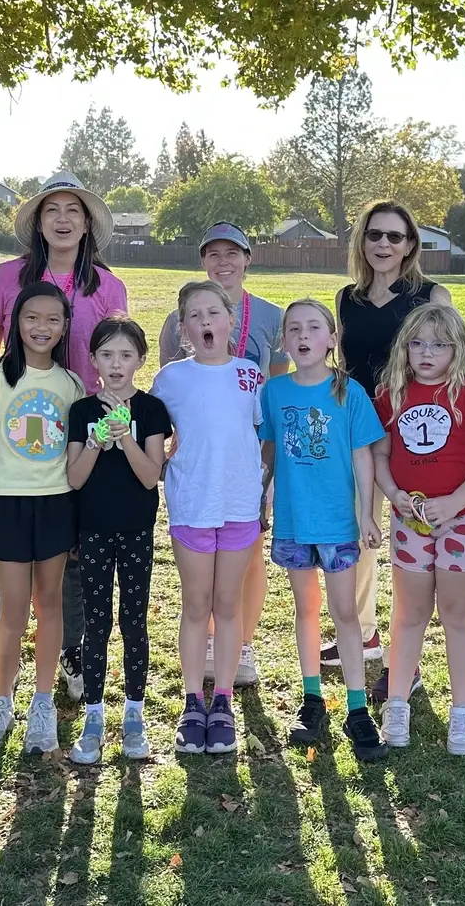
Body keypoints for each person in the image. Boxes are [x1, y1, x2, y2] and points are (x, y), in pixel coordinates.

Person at [0, 172, 126, 703]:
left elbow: (118, 358)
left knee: (72, 547)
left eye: (72, 209)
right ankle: (3, 657)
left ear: (86, 223)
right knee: (11, 548)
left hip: (84, 432)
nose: (62, 218)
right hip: (19, 426)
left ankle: (71, 653)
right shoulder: (9, 276)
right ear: (37, 221)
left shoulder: (108, 284)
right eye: (51, 209)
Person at [158, 220, 289, 687]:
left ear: (248, 258)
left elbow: (274, 393)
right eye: (213, 254)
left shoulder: (272, 316)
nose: (224, 262)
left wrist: (268, 469)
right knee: (200, 588)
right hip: (199, 480)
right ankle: (207, 648)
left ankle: (242, 644)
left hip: (246, 468)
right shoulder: (179, 324)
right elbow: (173, 404)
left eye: (232, 253)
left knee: (248, 561)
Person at [333, 200, 452, 703]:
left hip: (414, 427)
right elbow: (343, 362)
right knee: (358, 529)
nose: (384, 244)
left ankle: (410, 662)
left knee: (410, 545)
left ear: (410, 245)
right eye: (374, 235)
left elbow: (453, 353)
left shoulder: (429, 295)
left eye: (395, 237)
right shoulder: (346, 298)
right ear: (361, 240)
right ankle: (361, 633)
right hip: (359, 426)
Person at [260, 299, 388, 762]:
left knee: (345, 614)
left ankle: (357, 709)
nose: (303, 335)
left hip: (337, 522)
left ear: (332, 339)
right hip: (294, 522)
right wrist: (261, 495)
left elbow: (363, 456)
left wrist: (367, 515)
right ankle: (312, 698)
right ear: (285, 340)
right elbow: (270, 450)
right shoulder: (274, 392)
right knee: (305, 611)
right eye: (294, 328)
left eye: (314, 327)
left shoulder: (348, 391)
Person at [371, 303, 465, 754]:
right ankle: (398, 703)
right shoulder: (391, 393)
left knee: (457, 615)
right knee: (408, 614)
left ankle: (463, 713)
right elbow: (382, 456)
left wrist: (455, 504)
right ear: (404, 346)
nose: (427, 353)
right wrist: (392, 493)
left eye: (440, 345)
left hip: (463, 520)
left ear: (457, 349)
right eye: (418, 343)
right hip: (411, 519)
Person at [0, 283, 85, 756]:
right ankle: (1, 700)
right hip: (8, 506)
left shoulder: (70, 384)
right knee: (12, 612)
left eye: (53, 320)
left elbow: (76, 459)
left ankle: (42, 703)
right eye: (32, 317)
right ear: (16, 322)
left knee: (50, 604)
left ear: (64, 328)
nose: (42, 327)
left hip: (56, 505)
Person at [151, 280, 264, 755]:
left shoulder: (250, 374)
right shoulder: (170, 379)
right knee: (196, 604)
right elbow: (158, 440)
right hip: (192, 504)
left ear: (230, 321)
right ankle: (192, 701)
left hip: (239, 505)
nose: (204, 322)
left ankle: (223, 701)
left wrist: (266, 486)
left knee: (228, 605)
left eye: (213, 313)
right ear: (183, 329)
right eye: (193, 316)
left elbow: (261, 435)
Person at [66, 317, 171, 764]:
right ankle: (93, 716)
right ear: (92, 360)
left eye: (126, 355)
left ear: (141, 361)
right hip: (91, 531)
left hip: (135, 531)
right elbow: (73, 478)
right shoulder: (80, 410)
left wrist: (124, 435)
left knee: (133, 621)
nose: (116, 364)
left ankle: (134, 714)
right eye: (106, 354)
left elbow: (151, 476)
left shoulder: (151, 410)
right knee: (96, 623)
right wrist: (94, 441)